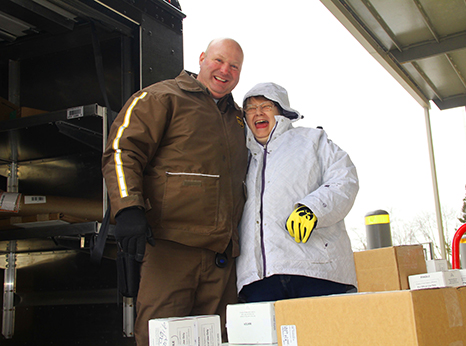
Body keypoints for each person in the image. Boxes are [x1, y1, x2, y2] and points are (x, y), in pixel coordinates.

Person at [101, 38, 248, 345]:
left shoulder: (238, 119)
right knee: (163, 335)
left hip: (222, 255)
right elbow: (121, 151)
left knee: (219, 338)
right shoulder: (161, 97)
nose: (225, 70)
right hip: (170, 247)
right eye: (218, 61)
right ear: (202, 58)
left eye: (234, 66)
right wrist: (128, 208)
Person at [236, 82, 359, 303]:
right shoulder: (239, 155)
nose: (258, 113)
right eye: (251, 108)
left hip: (316, 272)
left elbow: (344, 178)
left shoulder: (312, 141)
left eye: (266, 106)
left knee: (324, 336)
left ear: (281, 111)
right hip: (258, 282)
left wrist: (313, 209)